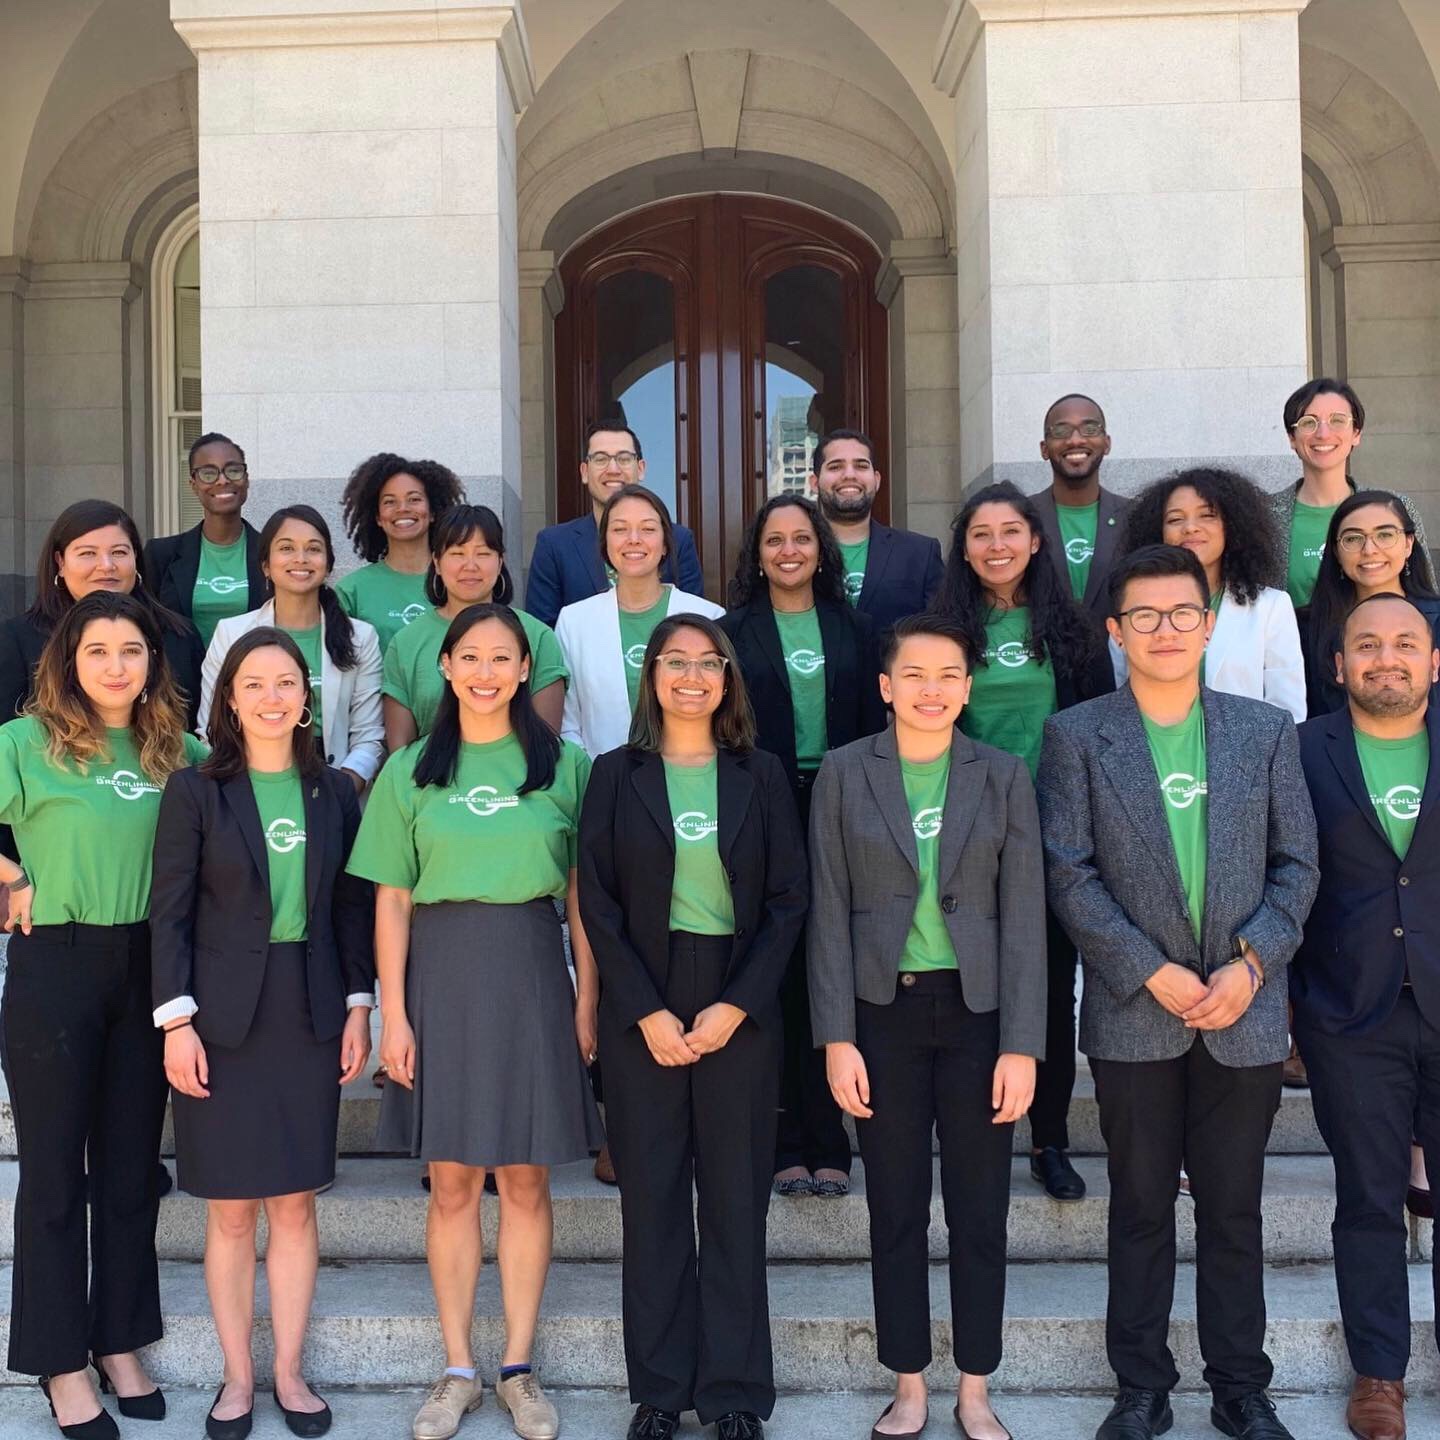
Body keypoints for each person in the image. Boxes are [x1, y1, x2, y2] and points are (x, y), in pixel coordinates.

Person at [1037, 545, 1319, 1440]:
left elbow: (1297, 865)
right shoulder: (1079, 735)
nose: (1165, 631)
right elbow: (1069, 873)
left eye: (1182, 615)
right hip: (1132, 1011)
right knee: (1141, 1207)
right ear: (1116, 633)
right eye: (1144, 618)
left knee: (1233, 1208)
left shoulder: (1265, 730)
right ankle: (1142, 1389)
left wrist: (1252, 965)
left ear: (1209, 625)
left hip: (1246, 1010)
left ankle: (1241, 1387)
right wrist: (1147, 968)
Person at [347, 603, 602, 1440]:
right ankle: (457, 1367)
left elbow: (581, 897)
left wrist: (587, 994)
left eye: (504, 658)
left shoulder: (566, 765)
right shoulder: (410, 768)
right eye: (471, 658)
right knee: (453, 1182)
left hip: (533, 975)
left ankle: (519, 1368)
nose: (487, 672)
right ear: (446, 669)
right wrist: (395, 1013)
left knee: (526, 1179)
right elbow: (388, 897)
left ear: (527, 669)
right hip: (439, 976)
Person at [808, 612, 1046, 1440]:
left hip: (980, 1019)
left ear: (968, 687)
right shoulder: (843, 773)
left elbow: (1024, 918)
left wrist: (1023, 1044)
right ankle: (908, 1381)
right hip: (883, 1016)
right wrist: (837, 1036)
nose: (931, 690)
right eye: (914, 674)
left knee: (981, 1210)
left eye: (948, 675)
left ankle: (974, 1387)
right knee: (897, 1208)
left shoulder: (1004, 775)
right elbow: (828, 911)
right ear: (885, 686)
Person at [578, 615, 807, 1440]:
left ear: (726, 678)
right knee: (656, 1203)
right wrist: (644, 1011)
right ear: (652, 677)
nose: (690, 677)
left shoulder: (763, 774)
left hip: (738, 1001)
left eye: (705, 663)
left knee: (738, 1203)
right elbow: (597, 905)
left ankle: (737, 1391)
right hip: (644, 997)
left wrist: (736, 1005)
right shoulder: (614, 774)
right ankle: (662, 1390)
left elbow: (788, 901)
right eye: (673, 662)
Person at [150, 627, 375, 1440]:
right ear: (230, 700)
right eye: (255, 684)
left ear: (308, 698)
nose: (273, 697)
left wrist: (359, 1005)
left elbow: (351, 909)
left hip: (307, 1009)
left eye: (288, 683)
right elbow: (169, 916)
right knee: (232, 1212)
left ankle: (289, 1373)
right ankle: (237, 1378)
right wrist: (175, 1022)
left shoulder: (335, 794)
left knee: (294, 1205)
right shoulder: (195, 791)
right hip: (220, 1018)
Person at [0, 591, 206, 1439]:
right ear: (67, 662)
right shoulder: (25, 743)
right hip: (58, 963)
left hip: (149, 970)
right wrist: (9, 882)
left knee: (128, 1172)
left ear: (152, 662)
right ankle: (58, 1360)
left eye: (132, 650)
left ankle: (120, 1338)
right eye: (98, 651)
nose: (116, 665)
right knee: (54, 1174)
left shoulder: (181, 753)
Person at [929, 481, 1113, 1204]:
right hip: (968, 834)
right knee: (975, 987)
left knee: (1046, 992)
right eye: (981, 533)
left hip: (1057, 835)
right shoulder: (943, 631)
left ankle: (1050, 1139)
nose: (997, 545)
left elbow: (1097, 733)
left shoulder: (1070, 631)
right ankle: (978, 1133)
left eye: (1012, 531)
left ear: (1036, 541)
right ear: (963, 548)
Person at [1292, 594, 1440, 1440]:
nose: (1388, 658)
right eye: (1368, 645)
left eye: (1406, 644)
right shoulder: (1304, 749)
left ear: (1433, 661)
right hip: (1353, 1015)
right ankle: (1379, 1375)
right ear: (1339, 664)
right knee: (1370, 1200)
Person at [719, 495, 885, 1200]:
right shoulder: (732, 633)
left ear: (822, 548)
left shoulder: (858, 628)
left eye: (801, 538)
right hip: (763, 807)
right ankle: (785, 1137)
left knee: (835, 966)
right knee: (777, 970)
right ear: (756, 554)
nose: (788, 550)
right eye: (774, 539)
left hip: (842, 805)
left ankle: (832, 1137)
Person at [198, 506, 384, 793]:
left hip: (335, 780)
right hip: (249, 782)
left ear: (328, 563)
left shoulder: (360, 637)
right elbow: (211, 730)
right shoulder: (231, 633)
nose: (301, 559)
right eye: (286, 548)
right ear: (266, 565)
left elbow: (369, 737)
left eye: (313, 549)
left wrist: (341, 792)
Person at [1115, 468, 1305, 723]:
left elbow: (1288, 710)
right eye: (1175, 519)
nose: (1190, 528)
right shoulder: (1133, 609)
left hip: (1248, 758)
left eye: (1207, 516)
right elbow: (1121, 700)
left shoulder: (1271, 607)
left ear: (1233, 526)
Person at [0, 499, 205, 729]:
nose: (106, 565)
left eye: (118, 552)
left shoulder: (179, 635)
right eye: (88, 553)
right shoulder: (17, 639)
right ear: (60, 562)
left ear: (135, 558)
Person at [556, 485, 723, 758]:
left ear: (666, 543)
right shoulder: (574, 621)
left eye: (647, 529)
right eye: (620, 529)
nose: (634, 539)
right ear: (605, 542)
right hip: (600, 782)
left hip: (687, 778)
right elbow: (568, 722)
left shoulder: (710, 617)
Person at [382, 504, 568, 746]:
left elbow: (547, 742)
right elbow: (400, 753)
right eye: (457, 554)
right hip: (430, 779)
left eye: (483, 553)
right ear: (436, 563)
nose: (470, 566)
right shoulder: (406, 643)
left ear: (500, 562)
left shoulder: (537, 636)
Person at [1269, 378, 1430, 613]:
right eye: (1308, 422)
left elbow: (1424, 592)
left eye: (1337, 421)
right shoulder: (1264, 516)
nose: (1323, 433)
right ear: (1292, 437)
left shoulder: (1396, 507)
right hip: (1298, 647)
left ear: (1356, 433)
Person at [526, 422, 705, 627]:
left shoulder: (678, 539)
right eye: (600, 459)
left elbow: (694, 623)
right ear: (584, 471)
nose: (613, 469)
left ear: (641, 468)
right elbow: (542, 632)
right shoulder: (554, 544)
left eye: (624, 458)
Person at [1303, 490, 1440, 718]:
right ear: (1336, 552)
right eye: (1353, 539)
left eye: (1385, 535)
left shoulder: (1436, 620)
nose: (1369, 550)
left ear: (1408, 544)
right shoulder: (1306, 628)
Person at [809, 429, 942, 633]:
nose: (849, 475)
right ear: (815, 483)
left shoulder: (920, 553)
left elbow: (942, 635)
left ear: (877, 480)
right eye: (836, 466)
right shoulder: (794, 554)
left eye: (861, 466)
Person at [144, 432, 267, 650]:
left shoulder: (271, 553)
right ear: (193, 484)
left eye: (233, 470)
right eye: (208, 473)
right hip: (182, 682)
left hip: (254, 679)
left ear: (246, 480)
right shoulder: (160, 555)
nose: (223, 480)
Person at [336, 452, 465, 653]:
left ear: (432, 512)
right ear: (377, 516)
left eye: (414, 499)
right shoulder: (352, 591)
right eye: (389, 501)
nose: (402, 508)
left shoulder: (461, 579)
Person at [1031, 395, 1132, 627]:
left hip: (1115, 660)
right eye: (1061, 431)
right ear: (1044, 449)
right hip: (1043, 658)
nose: (1075, 440)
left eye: (1089, 428)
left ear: (1107, 443)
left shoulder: (1134, 517)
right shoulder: (1022, 518)